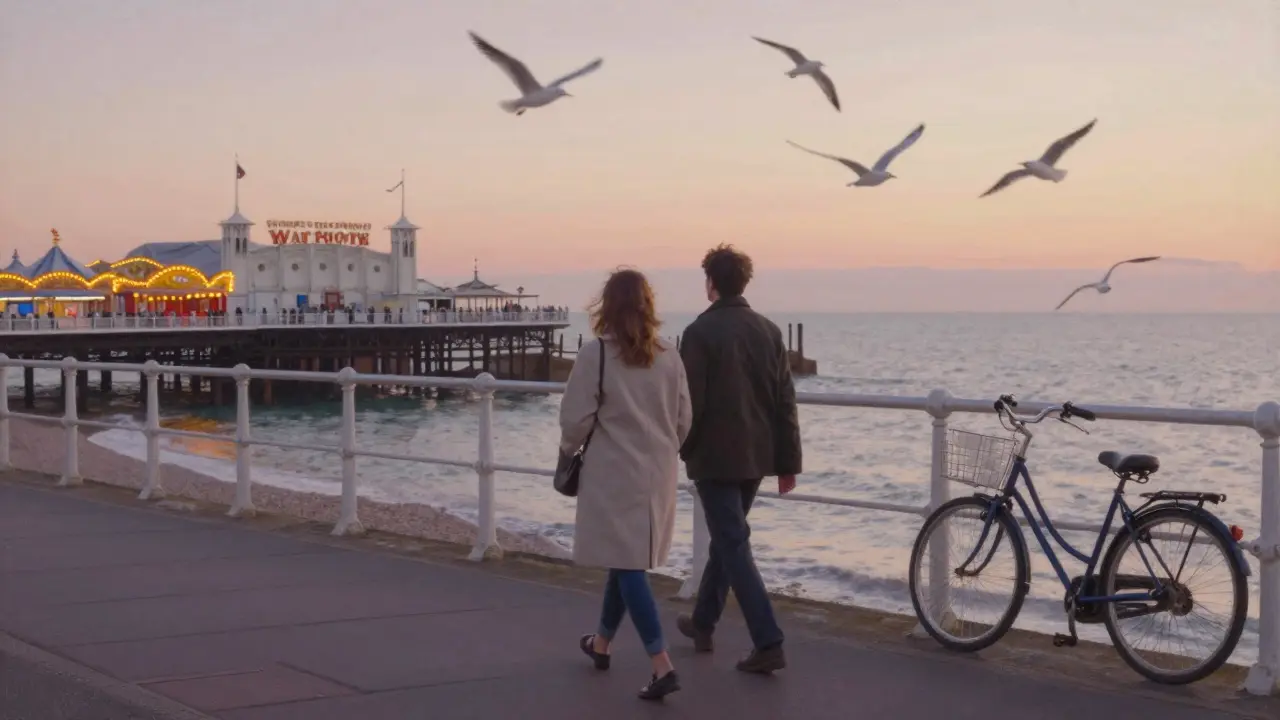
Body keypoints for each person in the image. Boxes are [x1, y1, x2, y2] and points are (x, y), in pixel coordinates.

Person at [559, 268, 692, 701]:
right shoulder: (669, 355)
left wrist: (569, 450)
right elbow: (684, 420)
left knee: (630, 564)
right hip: (658, 471)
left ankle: (661, 663)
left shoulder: (596, 354)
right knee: (627, 555)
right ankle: (601, 644)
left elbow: (575, 420)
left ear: (607, 306)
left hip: (614, 473)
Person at [675, 243, 802, 675]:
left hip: (714, 458)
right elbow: (785, 400)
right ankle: (703, 622)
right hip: (757, 456)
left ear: (711, 282)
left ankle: (768, 641)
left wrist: (682, 448)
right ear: (743, 282)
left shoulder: (699, 333)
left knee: (732, 543)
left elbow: (690, 403)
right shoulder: (768, 331)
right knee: (728, 541)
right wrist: (787, 461)